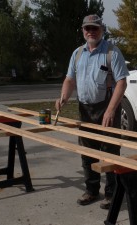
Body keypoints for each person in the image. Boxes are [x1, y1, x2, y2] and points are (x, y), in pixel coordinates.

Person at [55, 14, 129, 209]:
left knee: (110, 152)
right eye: (87, 28)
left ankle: (112, 195)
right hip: (85, 109)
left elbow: (122, 82)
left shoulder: (112, 52)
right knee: (87, 152)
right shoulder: (77, 53)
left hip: (107, 109)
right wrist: (63, 97)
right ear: (82, 31)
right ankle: (91, 191)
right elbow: (70, 80)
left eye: (94, 28)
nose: (91, 31)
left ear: (102, 30)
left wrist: (111, 110)